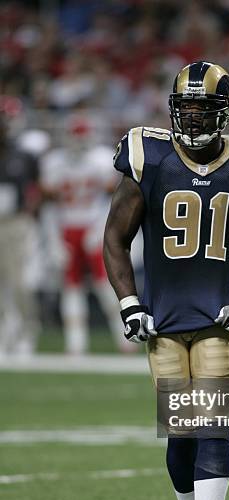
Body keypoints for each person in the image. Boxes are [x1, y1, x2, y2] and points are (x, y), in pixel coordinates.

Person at [103, 61, 229, 500]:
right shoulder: (148, 155)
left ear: (224, 112)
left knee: (213, 426)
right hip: (162, 318)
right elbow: (115, 237)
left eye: (205, 110)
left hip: (220, 317)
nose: (195, 120)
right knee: (181, 433)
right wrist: (129, 302)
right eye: (188, 109)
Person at [40, 115, 127, 354]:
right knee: (71, 288)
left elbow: (114, 199)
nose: (78, 142)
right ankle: (75, 343)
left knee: (106, 286)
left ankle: (124, 338)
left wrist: (100, 229)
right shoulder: (54, 162)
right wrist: (54, 240)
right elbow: (48, 205)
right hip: (66, 229)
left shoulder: (100, 159)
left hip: (93, 226)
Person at [0, 115, 40, 355]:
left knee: (20, 283)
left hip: (16, 222)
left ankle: (27, 330)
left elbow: (36, 187)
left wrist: (29, 215)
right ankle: (6, 331)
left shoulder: (22, 155)